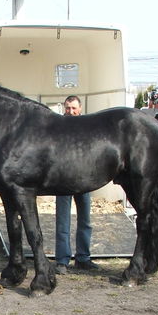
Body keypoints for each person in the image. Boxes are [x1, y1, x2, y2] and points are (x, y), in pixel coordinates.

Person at [55, 95, 100, 274]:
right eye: (67, 108)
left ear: (80, 109)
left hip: (83, 181)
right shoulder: (58, 129)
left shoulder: (88, 128)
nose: (71, 112)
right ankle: (62, 260)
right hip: (63, 180)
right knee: (62, 221)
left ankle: (83, 258)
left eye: (74, 108)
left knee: (85, 221)